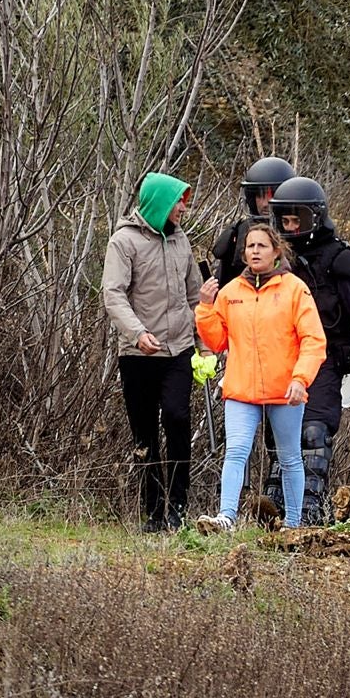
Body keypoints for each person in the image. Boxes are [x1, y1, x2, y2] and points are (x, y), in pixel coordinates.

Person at [193, 224, 327, 531]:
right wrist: (205, 307)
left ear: (276, 251)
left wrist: (300, 379)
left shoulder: (295, 289)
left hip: (286, 390)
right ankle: (226, 517)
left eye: (262, 246)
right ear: (243, 253)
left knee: (290, 457)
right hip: (242, 389)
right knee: (236, 451)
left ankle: (293, 526)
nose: (255, 251)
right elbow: (216, 342)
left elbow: (313, 340)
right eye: (250, 246)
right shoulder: (229, 293)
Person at [267, 176, 350, 524]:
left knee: (314, 433)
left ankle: (309, 509)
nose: (291, 228)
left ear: (314, 217)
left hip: (327, 361)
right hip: (281, 361)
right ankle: (275, 512)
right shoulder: (274, 262)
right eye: (284, 221)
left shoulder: (340, 260)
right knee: (280, 440)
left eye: (296, 220)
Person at [102, 171, 201, 532]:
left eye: (184, 201)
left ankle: (178, 508)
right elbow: (112, 294)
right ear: (159, 202)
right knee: (144, 434)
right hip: (138, 353)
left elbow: (195, 297)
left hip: (179, 350)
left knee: (177, 418)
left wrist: (202, 343)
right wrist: (138, 333)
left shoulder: (182, 241)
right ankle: (152, 513)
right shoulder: (123, 242)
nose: (183, 208)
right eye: (178, 201)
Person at [211, 155, 296, 286]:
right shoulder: (241, 233)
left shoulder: (297, 230)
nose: (266, 203)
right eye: (260, 196)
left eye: (272, 196)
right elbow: (223, 285)